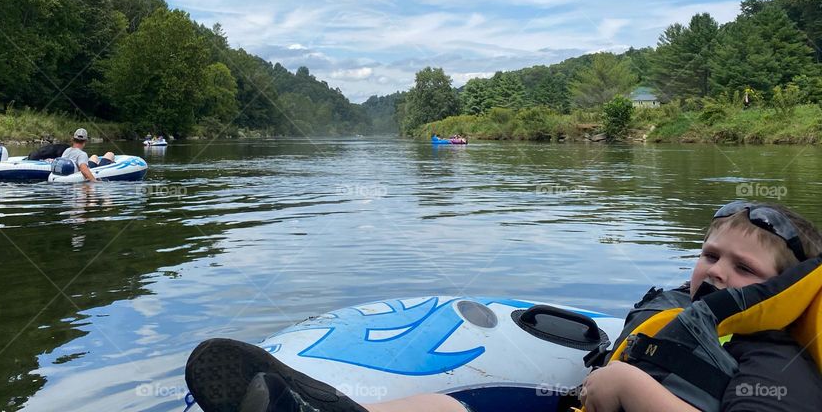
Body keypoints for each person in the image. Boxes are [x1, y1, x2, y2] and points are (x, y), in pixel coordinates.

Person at [184, 201, 822, 412]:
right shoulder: (673, 309)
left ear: (779, 293)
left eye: (744, 269)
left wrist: (630, 385)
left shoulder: (775, 356)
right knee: (443, 405)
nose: (717, 272)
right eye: (710, 254)